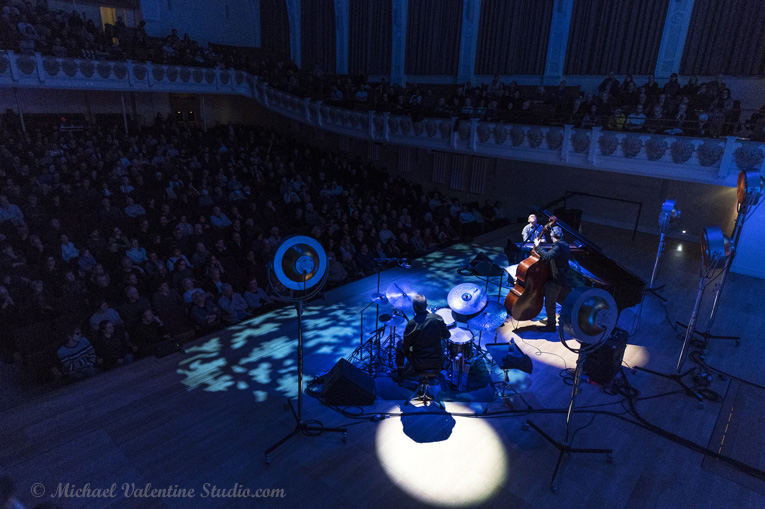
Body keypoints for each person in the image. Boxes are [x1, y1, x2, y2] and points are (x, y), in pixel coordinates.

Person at [394, 294, 450, 380]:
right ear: (426, 305)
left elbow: (406, 346)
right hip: (437, 361)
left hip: (418, 363)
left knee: (399, 344)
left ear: (414, 307)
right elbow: (447, 335)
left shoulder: (412, 323)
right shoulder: (437, 318)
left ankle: (400, 374)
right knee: (441, 342)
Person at [534, 226, 570, 332]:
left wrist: (537, 246)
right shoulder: (565, 245)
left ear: (551, 235)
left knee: (550, 302)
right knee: (551, 301)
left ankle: (551, 326)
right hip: (561, 277)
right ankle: (551, 321)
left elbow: (547, 257)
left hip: (556, 279)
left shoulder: (558, 247)